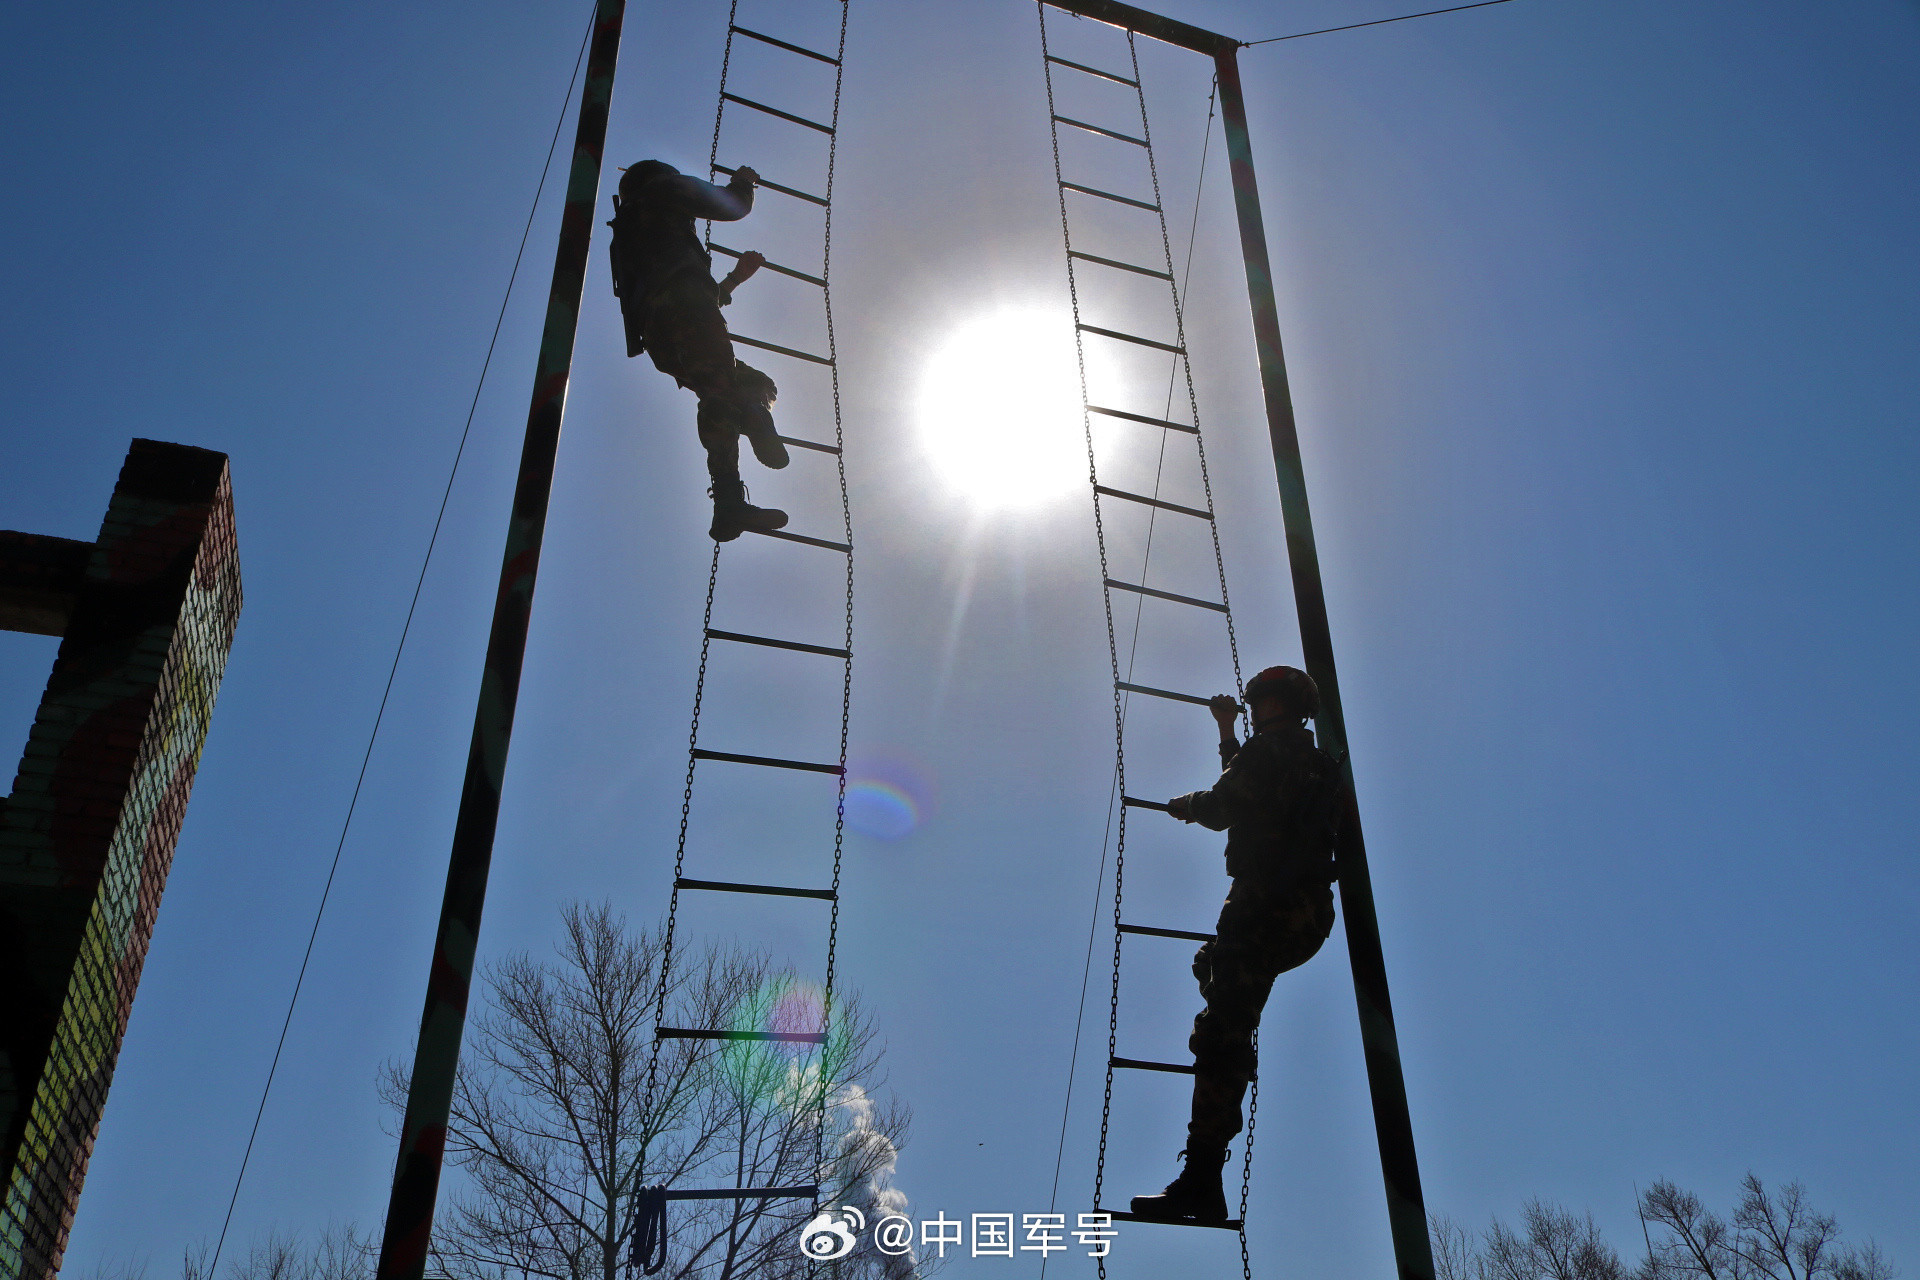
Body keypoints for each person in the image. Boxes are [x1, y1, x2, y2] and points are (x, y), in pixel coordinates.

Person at [1129, 665, 1344, 1223]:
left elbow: (1226, 804)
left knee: (1220, 1033)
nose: (1261, 712)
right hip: (1306, 914)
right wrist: (1226, 734)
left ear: (1280, 708)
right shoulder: (1313, 762)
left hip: (1263, 904)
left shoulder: (1267, 752)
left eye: (1264, 705)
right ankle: (1235, 1031)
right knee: (1213, 970)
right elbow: (1252, 789)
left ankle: (1201, 1180)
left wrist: (1187, 803)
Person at [607, 160, 790, 542]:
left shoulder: (629, 232)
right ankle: (752, 420)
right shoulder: (662, 190)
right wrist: (742, 182)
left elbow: (675, 291)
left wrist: (735, 279)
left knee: (733, 385)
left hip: (658, 338)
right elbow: (733, 206)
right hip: (686, 309)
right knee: (724, 389)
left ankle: (729, 496)